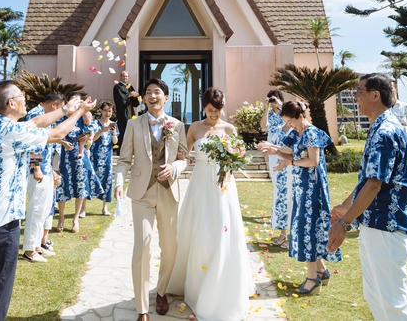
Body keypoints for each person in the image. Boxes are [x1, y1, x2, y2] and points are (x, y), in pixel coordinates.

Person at [0, 80, 93, 321]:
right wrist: (80, 112)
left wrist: (66, 109)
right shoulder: (12, 132)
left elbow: (36, 122)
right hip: (3, 221)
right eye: (21, 96)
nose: (26, 99)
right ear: (11, 103)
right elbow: (57, 133)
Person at [328, 73, 407, 320]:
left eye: (359, 92)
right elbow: (368, 180)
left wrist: (344, 224)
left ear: (375, 95)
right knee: (376, 297)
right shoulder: (381, 128)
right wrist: (345, 206)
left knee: (393, 302)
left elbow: (374, 185)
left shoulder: (385, 132)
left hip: (386, 227)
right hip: (375, 225)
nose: (355, 97)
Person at [168, 87, 254, 321]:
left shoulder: (229, 128)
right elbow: (183, 154)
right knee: (200, 231)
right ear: (203, 108)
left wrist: (232, 156)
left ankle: (222, 281)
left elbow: (240, 153)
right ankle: (196, 284)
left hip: (224, 187)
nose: (214, 116)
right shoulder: (195, 128)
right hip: (200, 185)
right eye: (209, 111)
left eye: (217, 111)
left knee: (222, 231)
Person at [114, 77, 188, 321]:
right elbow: (124, 159)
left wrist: (175, 169)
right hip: (142, 193)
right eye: (148, 93)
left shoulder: (177, 125)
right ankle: (142, 308)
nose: (152, 96)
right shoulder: (134, 125)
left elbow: (184, 158)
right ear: (144, 98)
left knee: (170, 248)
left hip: (168, 192)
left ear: (165, 97)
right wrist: (118, 182)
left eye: (157, 92)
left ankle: (162, 291)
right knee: (142, 246)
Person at [263, 99, 340, 295]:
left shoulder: (311, 132)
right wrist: (274, 151)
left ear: (300, 116)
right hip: (301, 187)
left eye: (291, 121)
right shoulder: (296, 133)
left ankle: (312, 279)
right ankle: (321, 271)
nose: (289, 125)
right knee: (306, 228)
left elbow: (312, 161)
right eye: (286, 122)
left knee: (308, 230)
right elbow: (291, 155)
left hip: (313, 189)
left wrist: (290, 163)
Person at [21, 91, 64, 263]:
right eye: (60, 109)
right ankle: (29, 249)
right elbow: (32, 144)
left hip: (46, 169)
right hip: (37, 170)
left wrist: (51, 169)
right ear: (54, 104)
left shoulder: (44, 116)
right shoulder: (36, 115)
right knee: (36, 209)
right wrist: (37, 167)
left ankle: (38, 245)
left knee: (44, 209)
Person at [55, 94, 104, 232]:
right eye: (74, 102)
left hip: (80, 157)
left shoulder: (83, 118)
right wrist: (62, 142)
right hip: (65, 157)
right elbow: (53, 134)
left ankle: (75, 219)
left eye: (79, 102)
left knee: (81, 187)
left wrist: (89, 136)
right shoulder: (63, 118)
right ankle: (61, 218)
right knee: (62, 187)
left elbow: (91, 131)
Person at [261, 89, 293, 247]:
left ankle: (288, 235)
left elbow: (292, 121)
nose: (272, 101)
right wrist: (266, 107)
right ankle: (282, 233)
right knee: (278, 192)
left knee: (286, 192)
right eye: (270, 99)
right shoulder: (271, 115)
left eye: (274, 99)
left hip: (285, 154)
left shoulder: (285, 114)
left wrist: (280, 105)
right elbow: (263, 126)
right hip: (273, 153)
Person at [90, 101, 118, 215]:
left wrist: (113, 133)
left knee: (107, 181)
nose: (108, 113)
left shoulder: (113, 124)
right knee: (91, 180)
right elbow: (93, 139)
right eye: (105, 110)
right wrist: (102, 130)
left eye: (110, 111)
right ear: (101, 111)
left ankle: (104, 207)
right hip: (95, 157)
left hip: (107, 158)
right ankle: (82, 209)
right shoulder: (96, 123)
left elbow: (115, 142)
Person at [113, 71, 135, 147]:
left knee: (131, 131)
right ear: (120, 77)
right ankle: (121, 150)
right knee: (123, 131)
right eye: (124, 76)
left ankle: (130, 149)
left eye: (126, 76)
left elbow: (135, 103)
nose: (125, 78)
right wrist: (129, 95)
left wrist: (135, 96)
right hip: (122, 112)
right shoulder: (117, 87)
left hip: (130, 112)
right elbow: (121, 101)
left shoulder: (130, 87)